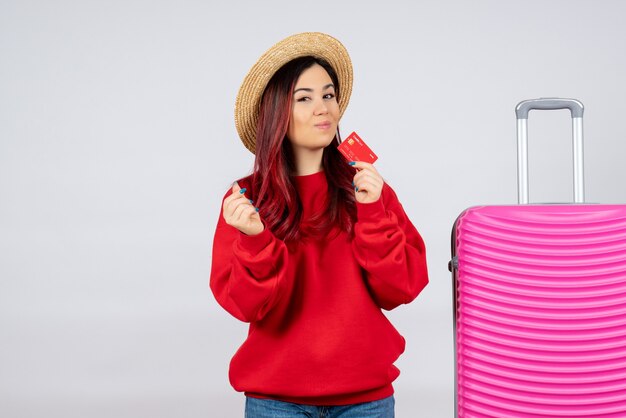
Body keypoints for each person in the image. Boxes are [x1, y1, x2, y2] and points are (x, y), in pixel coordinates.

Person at [210, 32, 428, 418]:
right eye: (304, 98)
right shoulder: (245, 199)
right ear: (277, 112)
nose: (322, 108)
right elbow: (246, 306)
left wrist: (374, 213)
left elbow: (402, 287)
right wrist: (255, 239)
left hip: (366, 401)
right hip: (275, 402)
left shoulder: (368, 187)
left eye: (328, 95)